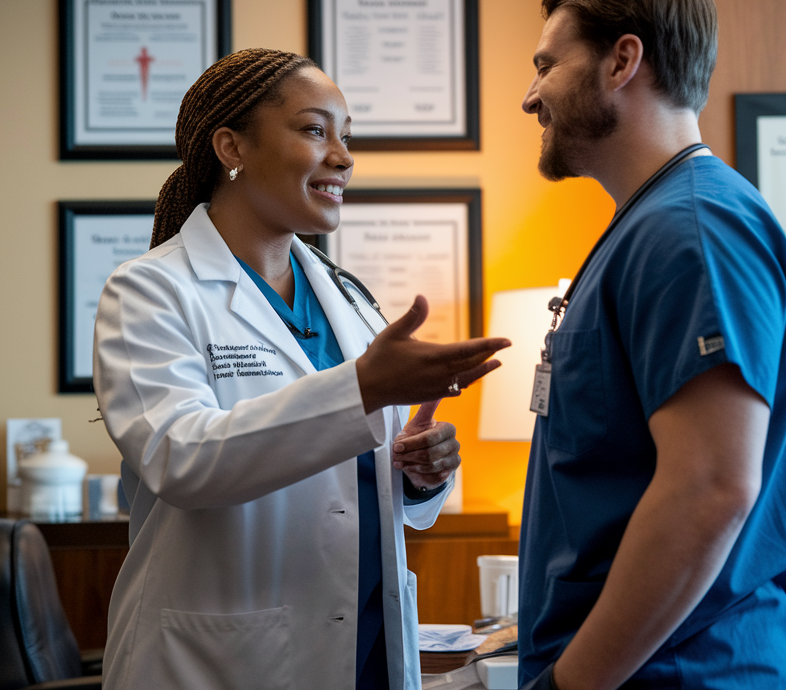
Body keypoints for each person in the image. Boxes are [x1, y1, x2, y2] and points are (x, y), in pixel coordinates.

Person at [93, 48, 510, 690]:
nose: (343, 157)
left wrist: (423, 471)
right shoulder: (150, 291)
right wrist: (366, 387)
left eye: (347, 137)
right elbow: (182, 458)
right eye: (317, 131)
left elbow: (366, 489)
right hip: (224, 662)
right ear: (232, 148)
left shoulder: (349, 300)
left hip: (366, 645)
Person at [516, 0, 786, 689]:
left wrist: (571, 685)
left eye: (547, 66)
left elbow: (711, 486)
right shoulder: (651, 224)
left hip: (677, 674)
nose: (530, 97)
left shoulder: (692, 228)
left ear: (623, 60)